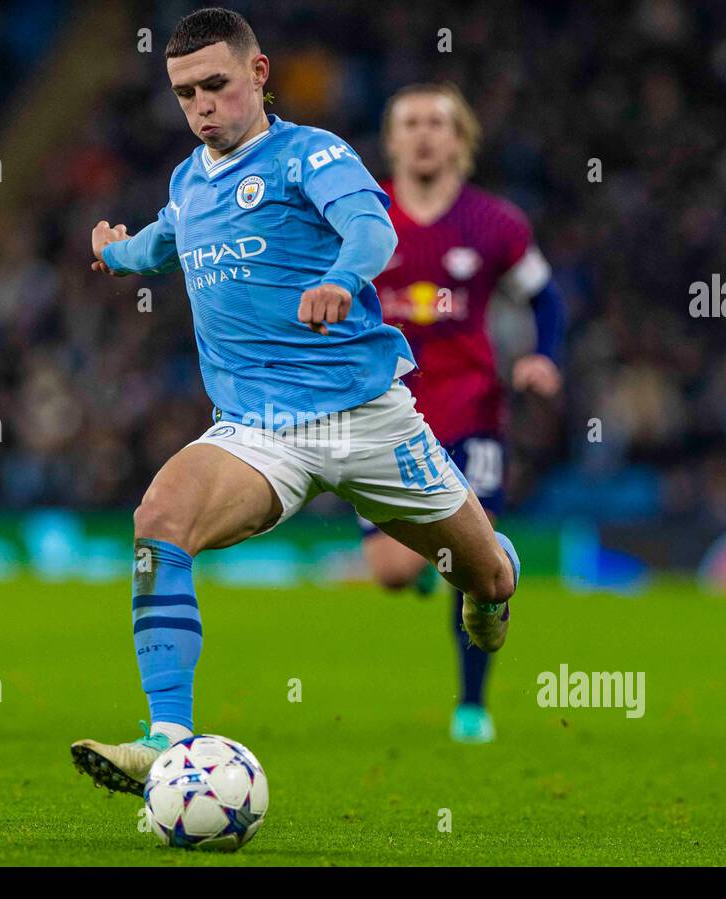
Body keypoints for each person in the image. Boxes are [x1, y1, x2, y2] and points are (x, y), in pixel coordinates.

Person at [72, 8, 520, 797]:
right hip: (258, 431)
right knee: (159, 519)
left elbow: (371, 228)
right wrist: (119, 255)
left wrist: (342, 281)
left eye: (216, 84)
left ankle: (493, 588)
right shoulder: (188, 179)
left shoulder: (310, 155)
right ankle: (167, 738)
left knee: (484, 576)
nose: (203, 105)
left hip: (369, 418)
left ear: (258, 73)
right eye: (185, 93)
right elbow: (166, 239)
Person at [362, 83, 566, 743]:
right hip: (381, 411)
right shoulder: (364, 215)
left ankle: (471, 707)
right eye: (410, 122)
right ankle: (427, 558)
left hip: (469, 407)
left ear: (460, 140)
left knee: (472, 565)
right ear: (392, 140)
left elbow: (547, 299)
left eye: (437, 123)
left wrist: (544, 358)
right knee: (393, 575)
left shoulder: (496, 223)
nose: (423, 134)